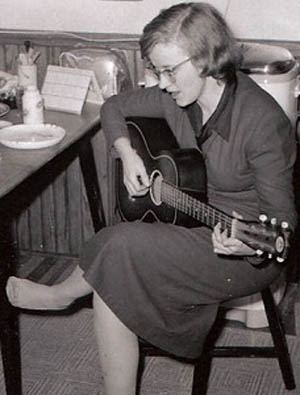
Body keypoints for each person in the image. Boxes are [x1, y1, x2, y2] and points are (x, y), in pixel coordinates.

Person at [6, 3, 297, 394]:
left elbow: (283, 225)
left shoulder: (262, 123)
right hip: (188, 223)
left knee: (120, 244)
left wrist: (246, 244)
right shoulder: (174, 97)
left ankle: (65, 294)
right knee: (119, 270)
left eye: (169, 70)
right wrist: (127, 154)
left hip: (240, 251)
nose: (161, 83)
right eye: (155, 71)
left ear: (207, 60)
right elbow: (114, 108)